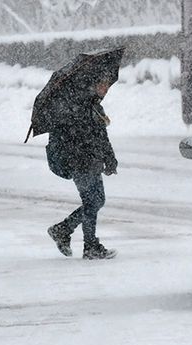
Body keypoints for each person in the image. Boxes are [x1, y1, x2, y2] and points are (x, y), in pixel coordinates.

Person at [46, 75, 118, 260]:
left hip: (92, 161)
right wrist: (85, 142)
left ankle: (63, 229)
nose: (105, 89)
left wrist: (110, 159)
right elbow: (72, 137)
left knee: (96, 201)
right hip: (80, 162)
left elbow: (102, 136)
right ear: (92, 84)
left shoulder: (94, 106)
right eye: (102, 85)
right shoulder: (76, 107)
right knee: (92, 202)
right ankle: (90, 245)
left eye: (107, 86)